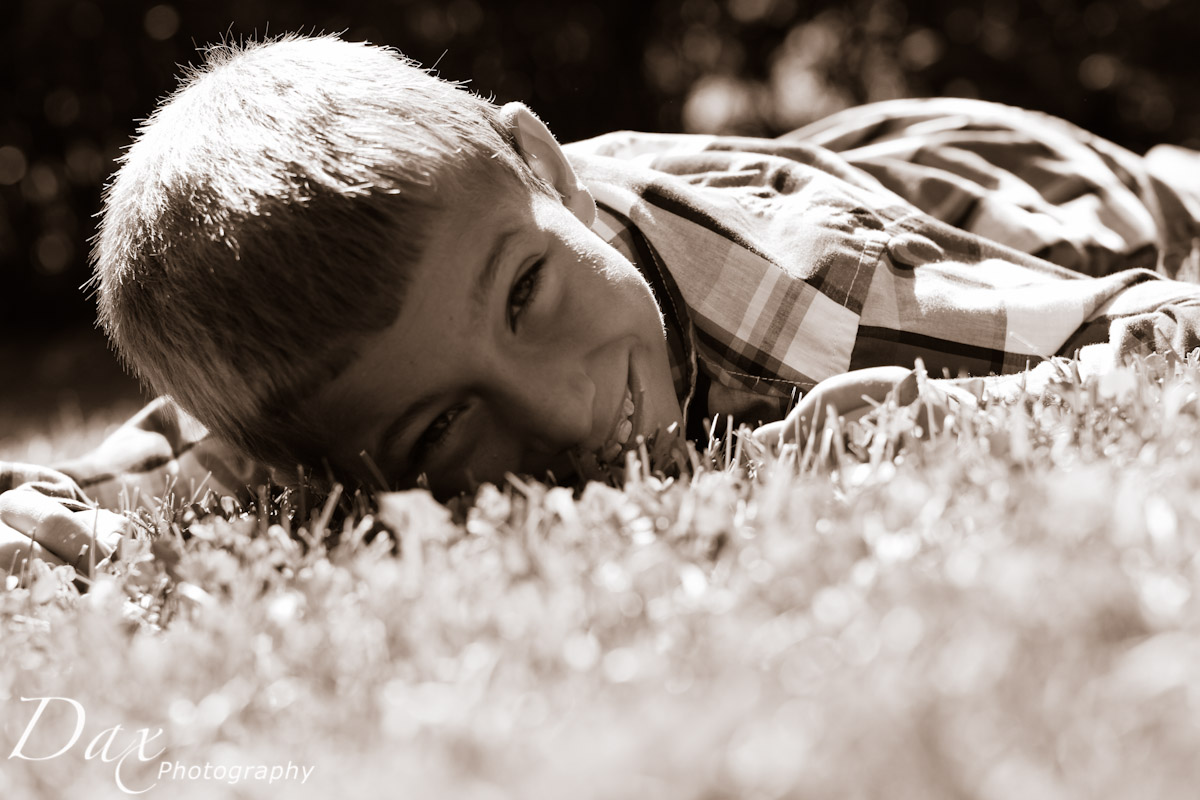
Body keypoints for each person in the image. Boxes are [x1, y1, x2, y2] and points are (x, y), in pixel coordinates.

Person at [5, 33, 1200, 577]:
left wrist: (897, 426)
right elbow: (143, 481)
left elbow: (1152, 339)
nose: (565, 406)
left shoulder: (806, 281)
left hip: (1013, 183)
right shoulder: (304, 407)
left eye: (528, 293)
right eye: (437, 432)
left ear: (543, 167)